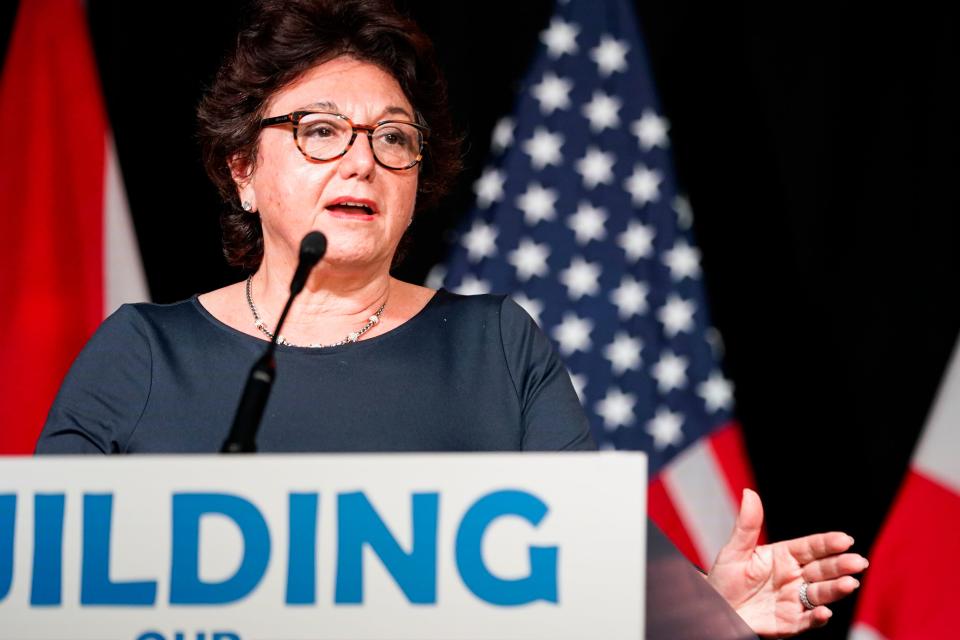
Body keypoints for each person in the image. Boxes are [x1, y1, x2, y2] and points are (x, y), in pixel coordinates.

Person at [35, 0, 867, 636]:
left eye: (394, 138)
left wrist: (706, 613)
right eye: (321, 131)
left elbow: (598, 571)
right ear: (244, 168)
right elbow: (48, 593)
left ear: (414, 188)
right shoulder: (142, 354)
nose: (363, 157)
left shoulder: (496, 345)